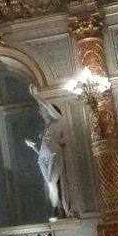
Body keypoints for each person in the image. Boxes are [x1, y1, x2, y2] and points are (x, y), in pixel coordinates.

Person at [26, 85, 70, 217]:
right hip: (43, 158)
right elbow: (42, 150)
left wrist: (36, 96)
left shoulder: (58, 120)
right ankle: (55, 209)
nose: (42, 111)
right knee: (50, 185)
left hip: (54, 156)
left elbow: (47, 105)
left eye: (43, 110)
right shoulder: (46, 127)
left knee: (51, 182)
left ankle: (55, 209)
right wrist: (33, 146)